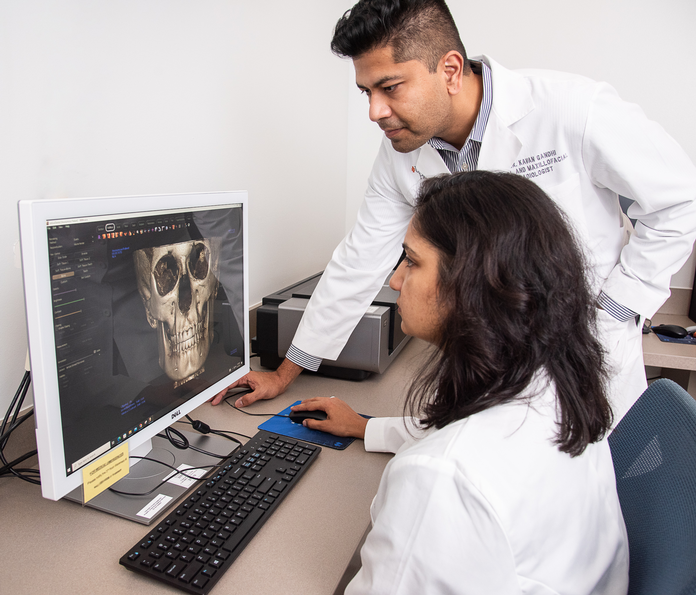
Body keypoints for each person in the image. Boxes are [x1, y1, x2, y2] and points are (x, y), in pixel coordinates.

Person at [212, 0, 696, 420]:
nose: (374, 111)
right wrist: (284, 373)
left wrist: (613, 311)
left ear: (449, 69)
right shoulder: (401, 154)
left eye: (389, 87)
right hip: (483, 363)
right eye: (366, 93)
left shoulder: (571, 110)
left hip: (583, 358)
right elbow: (360, 260)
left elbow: (679, 201)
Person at [292, 170, 629, 593]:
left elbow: (452, 461)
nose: (395, 280)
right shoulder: (556, 385)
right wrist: (365, 426)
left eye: (412, 261)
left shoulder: (441, 480)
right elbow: (464, 435)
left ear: (473, 283)